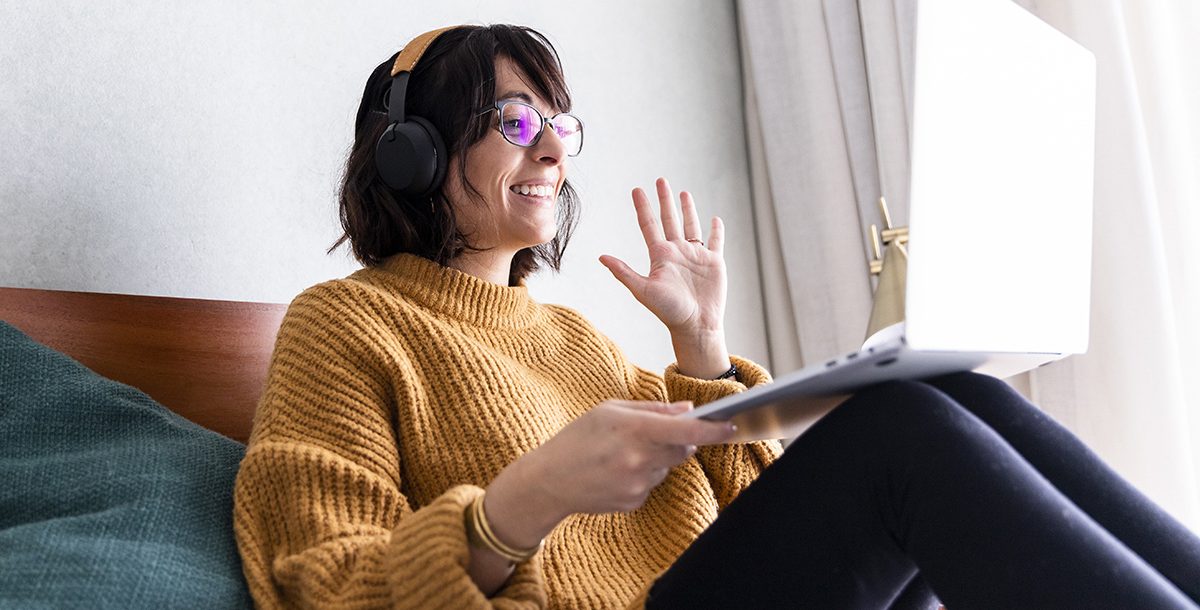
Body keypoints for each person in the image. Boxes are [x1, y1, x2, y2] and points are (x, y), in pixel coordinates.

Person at [232, 24, 1200, 609]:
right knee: (902, 429)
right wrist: (517, 504)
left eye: (559, 126)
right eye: (515, 122)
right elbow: (325, 584)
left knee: (951, 388)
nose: (554, 152)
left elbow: (767, 536)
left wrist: (699, 350)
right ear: (410, 152)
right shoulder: (344, 327)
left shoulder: (578, 341)